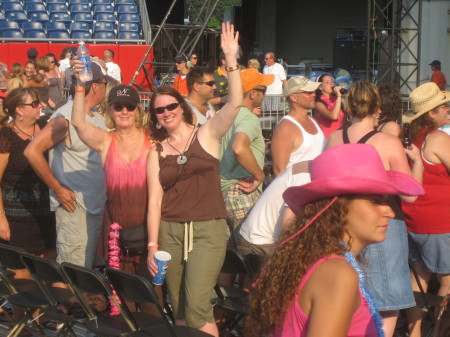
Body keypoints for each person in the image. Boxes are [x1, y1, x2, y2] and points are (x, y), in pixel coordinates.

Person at [248, 143, 424, 337]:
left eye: (388, 201)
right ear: (339, 206)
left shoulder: (310, 260)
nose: (390, 212)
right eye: (375, 201)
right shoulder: (338, 273)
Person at [146, 22, 241, 337]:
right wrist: (151, 245)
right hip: (170, 232)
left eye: (171, 105)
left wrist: (231, 61)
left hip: (207, 231)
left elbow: (235, 103)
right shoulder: (156, 150)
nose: (166, 112)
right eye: (159, 110)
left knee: (198, 305)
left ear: (181, 106)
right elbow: (154, 202)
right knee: (180, 308)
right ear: (154, 116)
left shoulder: (207, 134)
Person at [326, 81, 424, 337]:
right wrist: (419, 165)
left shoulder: (335, 139)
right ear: (377, 108)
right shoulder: (387, 142)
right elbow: (410, 196)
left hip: (343, 224)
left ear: (348, 106)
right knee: (386, 303)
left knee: (349, 295)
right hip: (382, 226)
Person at [24, 62, 112, 268]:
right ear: (96, 86)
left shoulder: (97, 117)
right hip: (76, 210)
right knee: (76, 274)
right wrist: (58, 189)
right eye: (104, 84)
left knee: (91, 272)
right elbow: (32, 151)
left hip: (96, 207)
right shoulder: (64, 117)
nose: (106, 89)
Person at [401, 82, 450, 337]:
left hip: (414, 219)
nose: (448, 109)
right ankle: (441, 331)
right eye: (444, 106)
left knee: (418, 278)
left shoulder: (410, 135)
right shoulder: (438, 138)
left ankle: (415, 331)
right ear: (431, 113)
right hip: (439, 222)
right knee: (447, 282)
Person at [0, 87, 56, 271]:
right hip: (17, 219)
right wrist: (1, 218)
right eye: (34, 103)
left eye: (39, 101)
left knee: (51, 273)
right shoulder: (5, 137)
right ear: (19, 110)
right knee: (23, 282)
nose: (40, 105)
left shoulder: (46, 125)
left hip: (47, 215)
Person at [220, 67, 273, 247]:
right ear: (252, 94)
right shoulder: (248, 118)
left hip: (222, 191)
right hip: (241, 191)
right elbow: (239, 147)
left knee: (230, 259)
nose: (265, 96)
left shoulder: (224, 115)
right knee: (252, 252)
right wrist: (259, 175)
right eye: (263, 91)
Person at [271, 76, 322, 176]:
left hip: (318, 187)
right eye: (308, 92)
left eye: (313, 91)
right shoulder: (286, 127)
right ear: (293, 97)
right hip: (298, 189)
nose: (314, 95)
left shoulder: (314, 121)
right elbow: (279, 169)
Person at [312, 74, 345, 138]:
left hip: (340, 137)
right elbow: (333, 116)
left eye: (332, 82)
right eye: (327, 82)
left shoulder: (336, 100)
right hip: (328, 139)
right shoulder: (318, 103)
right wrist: (339, 96)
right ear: (320, 87)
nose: (331, 84)